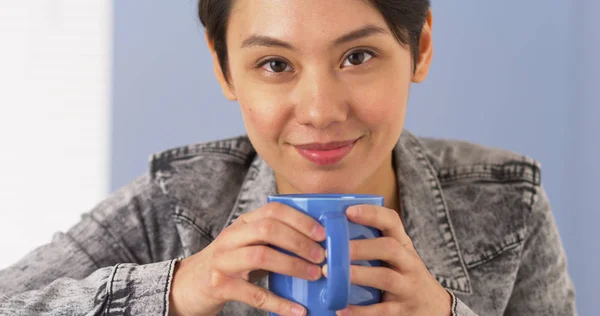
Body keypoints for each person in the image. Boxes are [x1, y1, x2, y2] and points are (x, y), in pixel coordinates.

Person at [0, 0, 576, 315]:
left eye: (358, 56)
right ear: (225, 66)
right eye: (275, 64)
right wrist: (174, 292)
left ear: (419, 47)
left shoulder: (506, 203)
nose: (320, 110)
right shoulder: (171, 205)